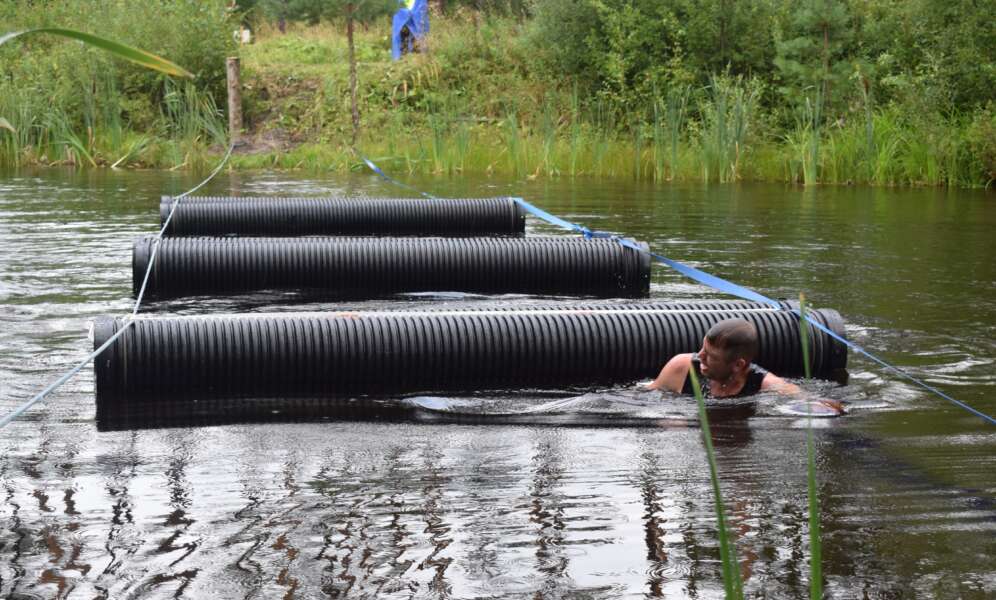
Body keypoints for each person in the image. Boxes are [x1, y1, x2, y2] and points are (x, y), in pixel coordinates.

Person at [643, 318, 845, 413]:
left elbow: (820, 404)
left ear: (738, 365)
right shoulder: (682, 367)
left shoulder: (765, 385)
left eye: (711, 355)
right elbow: (645, 398)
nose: (700, 357)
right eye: (702, 348)